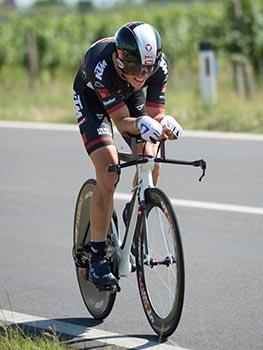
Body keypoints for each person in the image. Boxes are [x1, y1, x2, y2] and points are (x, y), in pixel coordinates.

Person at [73, 21, 183, 288]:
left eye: (149, 68)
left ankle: (135, 208)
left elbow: (155, 116)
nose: (143, 75)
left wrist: (163, 124)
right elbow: (122, 121)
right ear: (120, 58)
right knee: (109, 170)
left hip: (126, 94)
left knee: (150, 156)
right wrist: (140, 124)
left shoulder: (158, 67)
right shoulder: (101, 64)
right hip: (93, 100)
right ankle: (98, 254)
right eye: (135, 68)